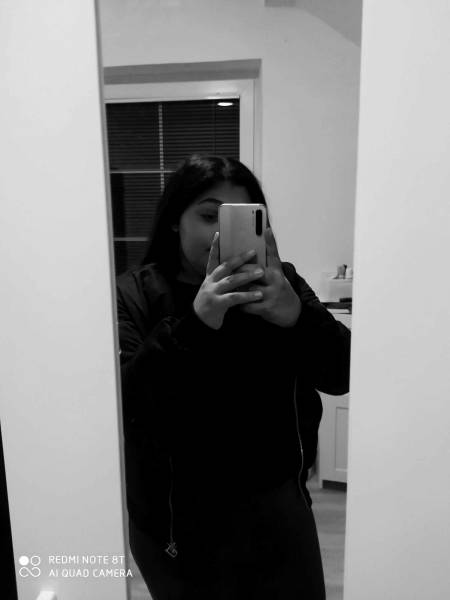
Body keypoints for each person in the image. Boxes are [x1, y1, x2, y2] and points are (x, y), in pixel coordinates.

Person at [116, 154, 351, 599]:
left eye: (240, 220)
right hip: (176, 522)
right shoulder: (134, 294)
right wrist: (197, 323)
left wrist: (296, 316)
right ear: (174, 220)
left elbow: (342, 373)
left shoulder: (282, 283)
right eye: (209, 216)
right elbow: (130, 406)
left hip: (278, 509)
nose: (220, 235)